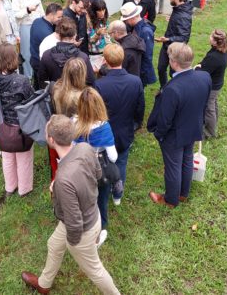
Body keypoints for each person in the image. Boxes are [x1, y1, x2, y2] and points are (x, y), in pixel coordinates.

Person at [21, 115, 120, 295]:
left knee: (95, 270)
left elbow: (74, 222)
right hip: (93, 214)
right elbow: (98, 175)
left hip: (81, 231)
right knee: (53, 245)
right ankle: (44, 284)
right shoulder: (85, 148)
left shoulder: (63, 179)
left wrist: (73, 244)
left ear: (52, 140)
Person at [147, 43, 211, 208]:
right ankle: (183, 193)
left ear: (174, 62)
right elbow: (205, 103)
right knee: (187, 159)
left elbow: (165, 119)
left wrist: (159, 135)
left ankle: (170, 200)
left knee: (173, 166)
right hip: (193, 127)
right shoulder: (205, 77)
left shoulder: (172, 89)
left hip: (174, 134)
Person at [95, 44, 144, 205]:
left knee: (105, 163)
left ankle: (106, 190)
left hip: (106, 133)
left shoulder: (100, 85)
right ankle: (117, 193)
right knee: (121, 162)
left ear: (105, 60)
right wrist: (135, 125)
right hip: (125, 131)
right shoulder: (135, 81)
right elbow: (140, 108)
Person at [0, 43, 35, 197]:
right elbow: (31, 102)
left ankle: (10, 187)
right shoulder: (22, 80)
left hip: (2, 123)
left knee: (7, 157)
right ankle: (24, 189)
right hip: (21, 125)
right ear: (14, 58)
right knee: (24, 157)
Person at [73, 88, 118, 247]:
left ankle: (85, 228)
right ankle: (100, 229)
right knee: (101, 200)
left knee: (84, 201)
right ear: (100, 106)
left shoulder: (75, 124)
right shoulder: (104, 127)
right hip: (100, 172)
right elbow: (113, 157)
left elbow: (72, 148)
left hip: (81, 171)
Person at [49, 57, 88, 179]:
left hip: (58, 131)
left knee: (58, 166)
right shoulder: (82, 96)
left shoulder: (56, 88)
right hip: (75, 135)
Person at [155, 0, 193, 87]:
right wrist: (172, 19)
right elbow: (178, 25)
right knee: (161, 68)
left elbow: (184, 38)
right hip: (167, 45)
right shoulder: (178, 9)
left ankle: (175, 89)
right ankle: (164, 88)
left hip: (176, 49)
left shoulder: (183, 16)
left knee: (174, 73)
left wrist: (168, 39)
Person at [38, 17, 95, 87]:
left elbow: (42, 81)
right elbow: (90, 82)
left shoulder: (46, 55)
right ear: (75, 35)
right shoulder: (83, 57)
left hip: (56, 92)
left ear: (59, 35)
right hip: (77, 92)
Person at [195, 29, 227, 139]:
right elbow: (207, 64)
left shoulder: (215, 57)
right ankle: (213, 124)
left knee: (209, 108)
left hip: (212, 86)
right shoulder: (222, 51)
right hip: (217, 83)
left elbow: (203, 72)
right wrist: (201, 64)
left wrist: (197, 68)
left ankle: (209, 132)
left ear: (216, 42)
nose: (209, 37)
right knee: (213, 104)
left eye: (211, 36)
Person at [12, 0, 45, 78]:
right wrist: (28, 10)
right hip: (25, 25)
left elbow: (41, 9)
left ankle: (38, 73)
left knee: (39, 48)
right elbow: (16, 14)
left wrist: (44, 20)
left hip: (37, 24)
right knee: (26, 52)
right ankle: (28, 76)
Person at [120, 2, 157, 87]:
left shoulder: (146, 32)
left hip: (140, 70)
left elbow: (147, 56)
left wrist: (141, 75)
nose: (126, 22)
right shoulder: (134, 27)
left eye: (126, 20)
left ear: (132, 18)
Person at [30, 3, 63, 85]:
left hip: (34, 59)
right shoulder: (47, 35)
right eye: (59, 17)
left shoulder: (36, 21)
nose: (61, 19)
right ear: (51, 15)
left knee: (37, 84)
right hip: (41, 64)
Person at [87, 0, 110, 72]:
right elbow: (91, 40)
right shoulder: (89, 23)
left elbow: (107, 36)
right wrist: (98, 34)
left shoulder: (105, 20)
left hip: (105, 54)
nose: (102, 13)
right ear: (94, 11)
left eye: (103, 10)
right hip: (94, 55)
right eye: (99, 11)